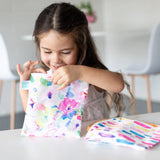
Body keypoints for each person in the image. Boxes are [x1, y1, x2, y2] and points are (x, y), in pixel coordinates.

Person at [17, 2, 126, 122]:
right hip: (60, 140)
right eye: (48, 52)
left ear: (81, 46)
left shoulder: (89, 73)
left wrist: (80, 72)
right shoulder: (46, 78)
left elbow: (118, 85)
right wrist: (24, 85)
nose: (55, 60)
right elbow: (33, 113)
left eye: (65, 52)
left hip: (93, 138)